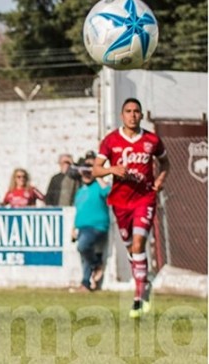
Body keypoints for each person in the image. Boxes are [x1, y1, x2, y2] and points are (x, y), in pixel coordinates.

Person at [93, 98, 168, 318]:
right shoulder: (111, 140)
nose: (132, 115)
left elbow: (166, 162)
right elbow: (96, 170)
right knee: (131, 250)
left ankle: (138, 296)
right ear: (122, 115)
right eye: (128, 111)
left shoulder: (152, 140)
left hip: (144, 198)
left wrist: (160, 179)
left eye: (136, 111)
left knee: (138, 244)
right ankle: (144, 282)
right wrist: (112, 170)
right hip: (120, 202)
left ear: (141, 115)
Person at [72, 154, 110, 292]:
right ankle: (85, 283)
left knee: (83, 247)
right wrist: (74, 228)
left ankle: (97, 264)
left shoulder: (98, 186)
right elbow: (78, 210)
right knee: (84, 256)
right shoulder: (80, 191)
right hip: (82, 227)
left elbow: (108, 193)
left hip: (97, 226)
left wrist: (98, 174)